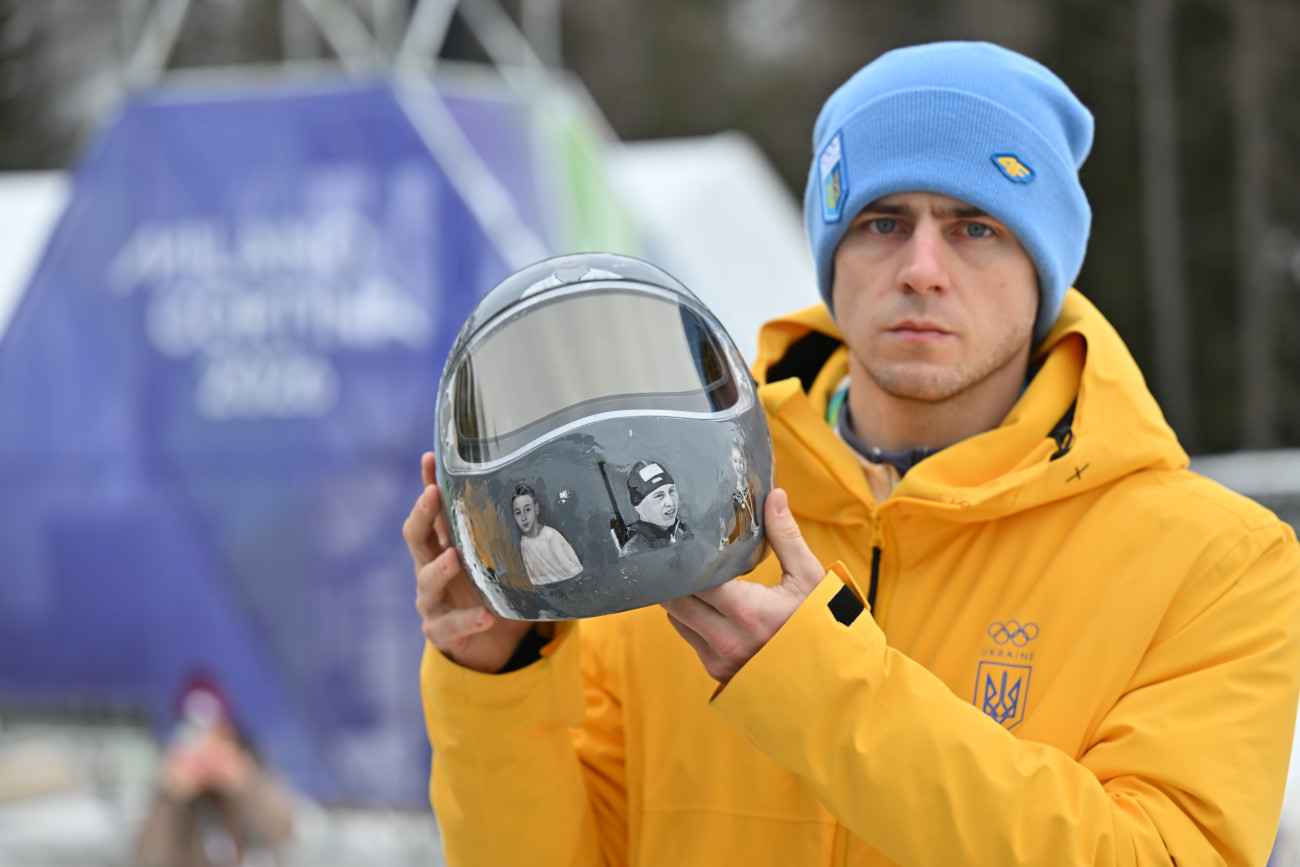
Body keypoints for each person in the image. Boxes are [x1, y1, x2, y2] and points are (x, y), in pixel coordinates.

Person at [406, 41, 1300, 866]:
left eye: (975, 226)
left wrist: (822, 687)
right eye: (881, 222)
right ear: (831, 252)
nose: (921, 267)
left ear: (1044, 263)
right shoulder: (679, 515)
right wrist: (495, 674)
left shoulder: (1216, 563)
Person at [135, 675, 295, 867]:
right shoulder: (166, 789)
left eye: (215, 737)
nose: (205, 752)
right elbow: (150, 854)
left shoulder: (252, 775)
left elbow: (283, 832)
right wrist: (172, 797)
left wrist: (245, 784)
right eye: (193, 738)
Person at [511, 483, 584, 584]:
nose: (523, 518)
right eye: (518, 513)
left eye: (527, 510)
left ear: (536, 509)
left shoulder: (551, 536)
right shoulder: (524, 542)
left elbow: (574, 571)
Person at [620, 460, 693, 554]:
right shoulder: (636, 550)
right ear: (638, 506)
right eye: (659, 496)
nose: (670, 503)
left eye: (671, 491)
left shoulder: (683, 531)